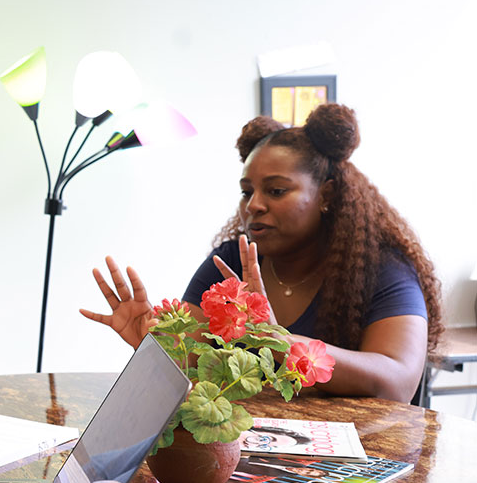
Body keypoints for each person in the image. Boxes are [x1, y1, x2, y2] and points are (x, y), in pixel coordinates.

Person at [81, 103, 442, 404]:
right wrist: (153, 346)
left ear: (327, 196)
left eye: (276, 190)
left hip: (360, 468)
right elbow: (189, 363)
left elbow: (397, 382)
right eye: (246, 191)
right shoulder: (230, 262)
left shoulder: (382, 269)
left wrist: (281, 341)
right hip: (255, 460)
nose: (253, 205)